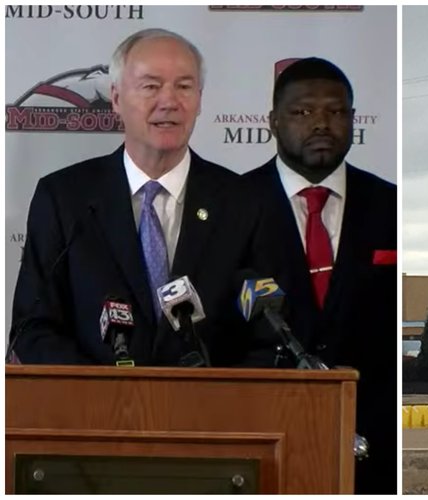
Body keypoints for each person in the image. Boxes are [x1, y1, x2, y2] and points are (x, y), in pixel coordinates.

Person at [10, 28, 253, 367]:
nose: (169, 101)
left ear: (199, 99)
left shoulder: (243, 202)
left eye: (184, 86)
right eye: (151, 86)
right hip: (94, 413)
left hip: (209, 414)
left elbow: (266, 334)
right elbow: (33, 328)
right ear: (116, 98)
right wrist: (107, 396)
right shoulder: (64, 198)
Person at [242, 57, 397, 494]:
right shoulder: (230, 206)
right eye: (303, 112)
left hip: (373, 450)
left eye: (336, 111)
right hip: (263, 442)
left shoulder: (391, 206)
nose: (321, 123)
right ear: (273, 121)